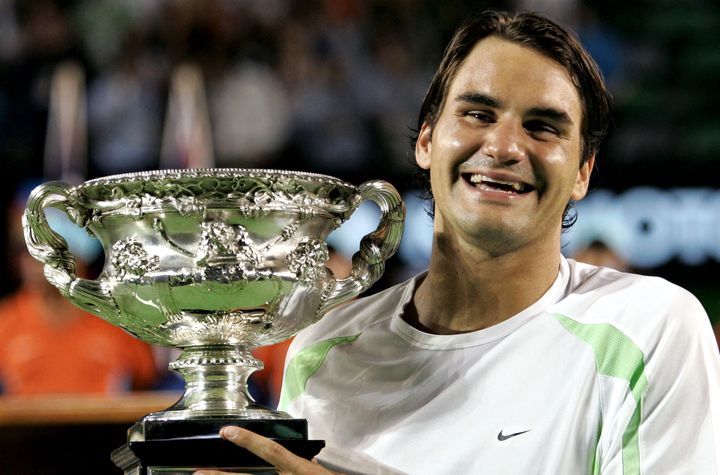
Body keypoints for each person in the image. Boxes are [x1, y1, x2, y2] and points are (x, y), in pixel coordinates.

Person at [195, 10, 720, 474]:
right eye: (478, 114)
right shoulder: (323, 350)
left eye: (542, 127)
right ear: (426, 139)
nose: (505, 145)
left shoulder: (652, 329)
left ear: (583, 172)